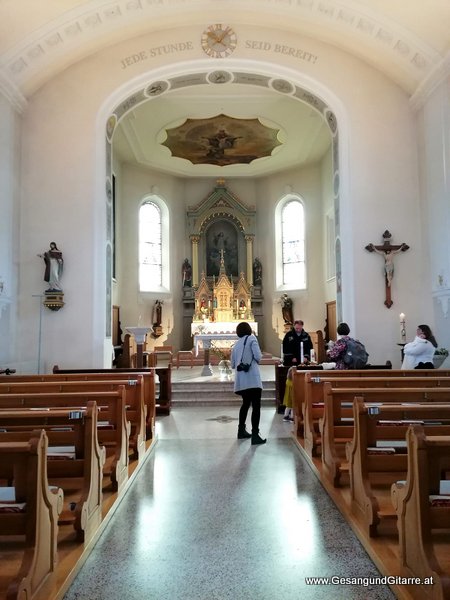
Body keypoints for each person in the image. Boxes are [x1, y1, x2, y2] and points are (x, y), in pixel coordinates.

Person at [231, 321, 266, 445]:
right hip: (252, 379)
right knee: (256, 406)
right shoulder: (252, 339)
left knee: (245, 404)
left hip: (242, 380)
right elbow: (258, 357)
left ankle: (241, 431)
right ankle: (255, 435)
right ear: (249, 329)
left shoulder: (236, 345)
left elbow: (233, 364)